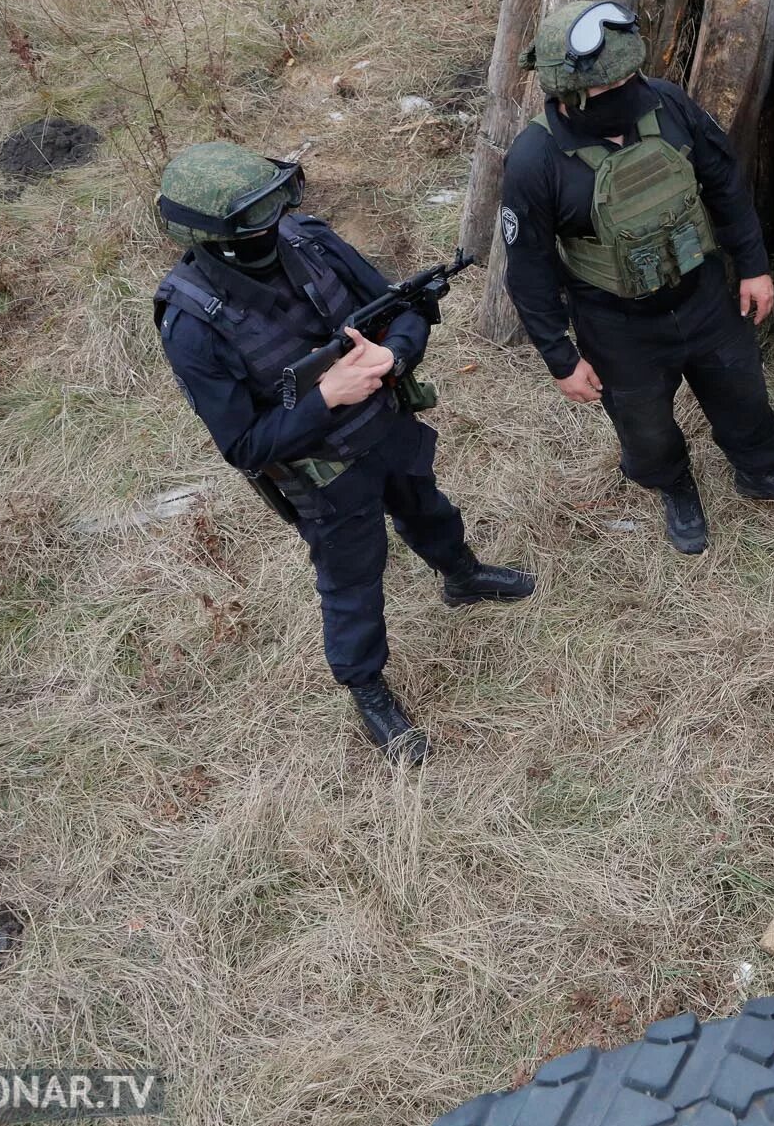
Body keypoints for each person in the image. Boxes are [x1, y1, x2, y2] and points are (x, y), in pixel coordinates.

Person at [153, 142, 535, 764]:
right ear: (214, 235)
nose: (275, 220)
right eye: (257, 214)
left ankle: (462, 577)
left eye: (278, 200)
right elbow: (244, 445)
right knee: (352, 580)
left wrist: (395, 355)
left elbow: (403, 306)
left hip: (386, 426)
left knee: (428, 508)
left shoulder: (307, 240)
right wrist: (326, 396)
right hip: (324, 476)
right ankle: (367, 689)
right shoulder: (192, 324)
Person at [498, 0, 774, 554]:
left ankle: (758, 470)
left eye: (632, 75)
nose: (632, 90)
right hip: (616, 323)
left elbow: (723, 184)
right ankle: (675, 488)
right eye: (612, 86)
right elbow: (526, 267)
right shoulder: (535, 160)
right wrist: (560, 356)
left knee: (744, 395)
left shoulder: (666, 104)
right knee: (644, 426)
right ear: (569, 97)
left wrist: (753, 266)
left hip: (704, 295)